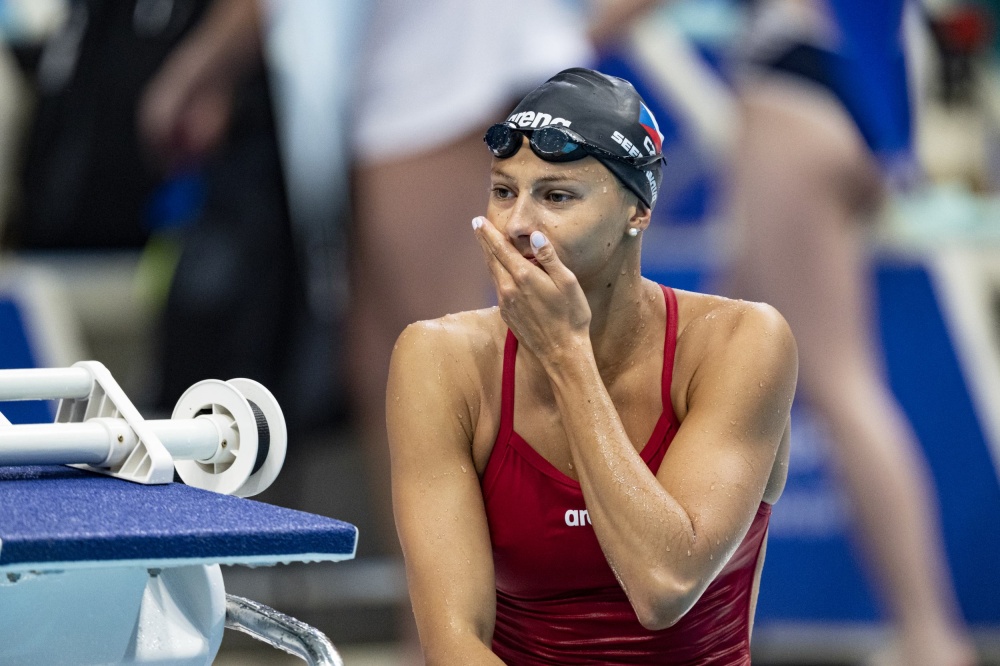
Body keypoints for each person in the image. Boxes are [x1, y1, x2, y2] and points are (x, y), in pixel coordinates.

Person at [387, 68, 797, 664]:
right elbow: (455, 642)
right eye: (503, 192)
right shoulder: (441, 362)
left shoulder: (739, 343)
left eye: (557, 197)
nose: (517, 225)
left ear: (638, 211)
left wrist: (565, 354)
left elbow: (664, 586)